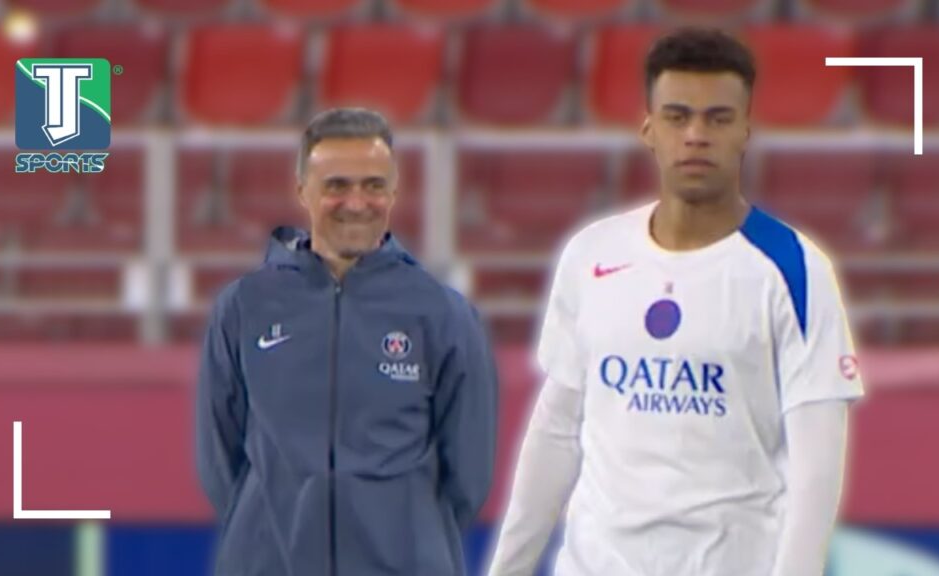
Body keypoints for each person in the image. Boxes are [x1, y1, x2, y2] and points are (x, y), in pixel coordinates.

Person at [486, 27, 864, 576]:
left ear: (745, 132)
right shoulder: (591, 254)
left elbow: (817, 467)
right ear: (648, 128)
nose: (696, 135)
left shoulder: (796, 270)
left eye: (718, 118)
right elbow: (557, 428)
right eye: (678, 116)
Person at [196, 107, 498, 576]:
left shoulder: (442, 314)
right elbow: (221, 458)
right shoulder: (244, 307)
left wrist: (404, 539)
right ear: (303, 191)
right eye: (336, 185)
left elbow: (469, 475)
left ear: (394, 193)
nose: (356, 202)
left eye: (373, 186)